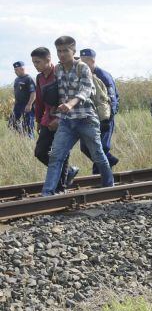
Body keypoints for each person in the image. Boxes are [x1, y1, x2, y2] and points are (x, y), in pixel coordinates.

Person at [41, 36, 114, 196]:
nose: (61, 54)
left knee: (98, 155)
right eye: (59, 51)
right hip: (67, 122)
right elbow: (60, 93)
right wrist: (57, 113)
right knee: (56, 156)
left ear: (73, 51)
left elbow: (86, 90)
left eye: (65, 50)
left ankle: (109, 186)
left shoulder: (83, 68)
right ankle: (47, 194)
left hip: (86, 119)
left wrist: (70, 104)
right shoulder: (59, 69)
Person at [30, 47, 78, 192]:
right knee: (40, 152)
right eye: (33, 62)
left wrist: (59, 118)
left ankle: (60, 187)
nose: (35, 65)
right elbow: (39, 101)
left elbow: (71, 97)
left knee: (61, 152)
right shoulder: (39, 78)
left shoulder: (60, 72)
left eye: (37, 62)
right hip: (47, 120)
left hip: (63, 119)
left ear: (48, 60)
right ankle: (69, 171)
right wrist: (38, 121)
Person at [77, 49, 120, 172]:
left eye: (85, 61)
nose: (83, 64)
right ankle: (109, 161)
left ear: (92, 60)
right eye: (81, 61)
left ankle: (101, 176)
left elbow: (112, 99)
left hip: (104, 117)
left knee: (102, 147)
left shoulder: (103, 75)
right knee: (85, 147)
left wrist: (109, 117)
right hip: (90, 117)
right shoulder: (83, 75)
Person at [11, 61, 36, 138]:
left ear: (22, 69)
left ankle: (30, 141)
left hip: (27, 105)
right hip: (17, 105)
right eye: (15, 70)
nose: (15, 72)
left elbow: (33, 93)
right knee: (12, 124)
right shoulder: (16, 79)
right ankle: (21, 138)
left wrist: (29, 104)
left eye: (17, 70)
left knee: (28, 126)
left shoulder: (29, 79)